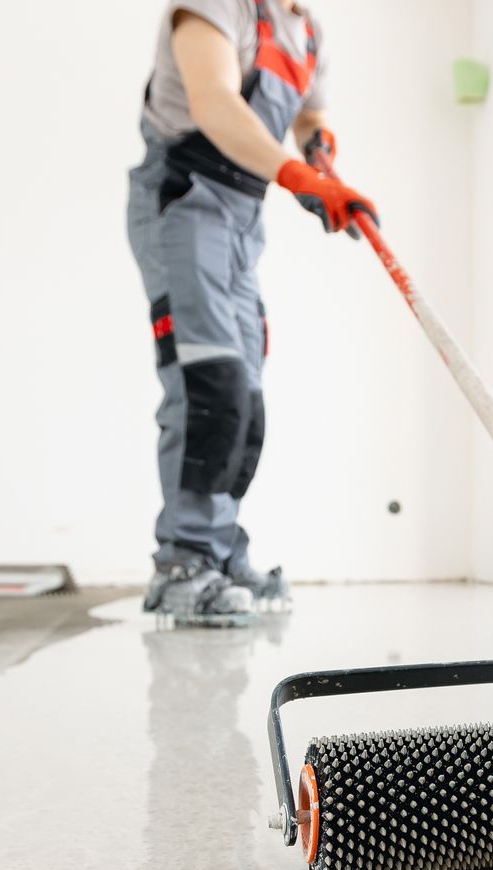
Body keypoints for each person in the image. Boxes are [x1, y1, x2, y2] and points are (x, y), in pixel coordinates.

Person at [127, 0, 375, 625]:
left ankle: (217, 549)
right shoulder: (220, 7)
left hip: (240, 222)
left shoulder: (307, 31)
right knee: (208, 386)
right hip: (183, 203)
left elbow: (309, 113)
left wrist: (318, 151)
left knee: (244, 401)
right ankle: (183, 563)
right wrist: (299, 177)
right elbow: (214, 102)